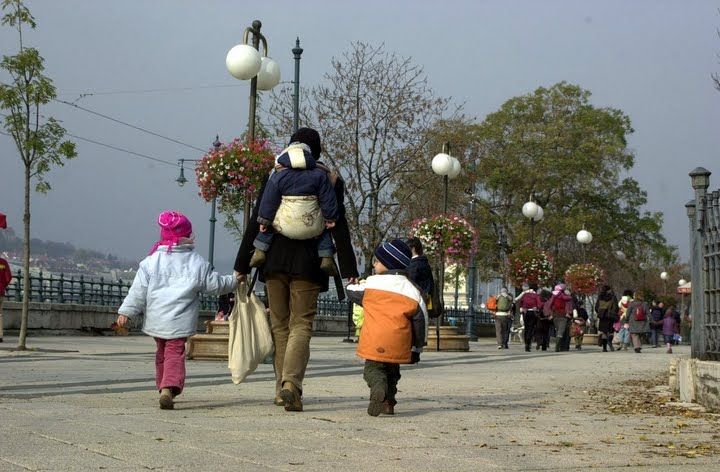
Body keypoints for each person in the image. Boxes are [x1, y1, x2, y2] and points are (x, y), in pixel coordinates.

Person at [234, 127, 359, 412]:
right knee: (301, 324)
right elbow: (338, 223)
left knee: (280, 325)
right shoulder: (329, 178)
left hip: (274, 260)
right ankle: (292, 384)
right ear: (317, 152)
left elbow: (257, 219)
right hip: (311, 262)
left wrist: (242, 264)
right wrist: (349, 267)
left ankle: (281, 389)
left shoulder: (277, 174)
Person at [116, 211, 237, 409]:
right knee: (174, 352)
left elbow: (138, 291)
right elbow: (214, 285)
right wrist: (234, 280)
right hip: (179, 321)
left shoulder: (151, 261)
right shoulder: (196, 262)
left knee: (161, 352)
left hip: (157, 319)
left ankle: (163, 385)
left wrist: (126, 312)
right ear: (187, 237)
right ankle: (168, 387)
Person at [346, 239, 426, 416]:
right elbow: (421, 320)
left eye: (377, 261)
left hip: (374, 339)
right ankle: (389, 403)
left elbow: (351, 291)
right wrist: (418, 347)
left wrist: (352, 282)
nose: (374, 264)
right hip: (398, 340)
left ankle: (378, 387)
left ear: (388, 264)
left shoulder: (372, 284)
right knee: (393, 372)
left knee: (373, 370)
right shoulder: (413, 290)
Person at [249, 141, 338, 275]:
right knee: (323, 231)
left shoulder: (278, 176)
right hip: (311, 226)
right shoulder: (320, 175)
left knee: (270, 226)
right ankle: (326, 257)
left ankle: (260, 250)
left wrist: (264, 220)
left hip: (285, 226)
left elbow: (269, 201)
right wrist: (330, 218)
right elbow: (328, 199)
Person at [515, 282, 542, 352]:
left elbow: (520, 302)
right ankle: (529, 343)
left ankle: (526, 343)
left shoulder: (524, 294)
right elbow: (539, 304)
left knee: (526, 328)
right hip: (533, 312)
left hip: (525, 312)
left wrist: (522, 307)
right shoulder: (536, 295)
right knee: (531, 328)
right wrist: (537, 308)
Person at [595, 285, 618, 352]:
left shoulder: (600, 297)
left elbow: (596, 307)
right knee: (611, 331)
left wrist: (599, 312)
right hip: (610, 316)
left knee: (604, 332)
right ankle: (610, 341)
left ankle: (604, 348)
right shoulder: (613, 297)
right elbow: (616, 307)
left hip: (602, 316)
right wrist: (614, 313)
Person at [0, 256, 12, 343]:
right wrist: (3, 286)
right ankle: (0, 335)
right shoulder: (3, 262)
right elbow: (8, 277)